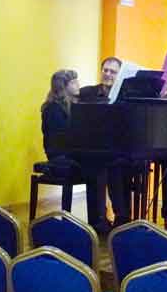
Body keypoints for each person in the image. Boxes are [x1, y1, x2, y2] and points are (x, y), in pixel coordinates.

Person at [40, 69, 113, 233]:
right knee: (95, 168)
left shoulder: (73, 106)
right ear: (63, 86)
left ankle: (98, 219)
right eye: (73, 82)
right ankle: (96, 220)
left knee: (98, 165)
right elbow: (59, 140)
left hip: (70, 153)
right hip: (58, 157)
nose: (78, 84)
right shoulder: (53, 109)